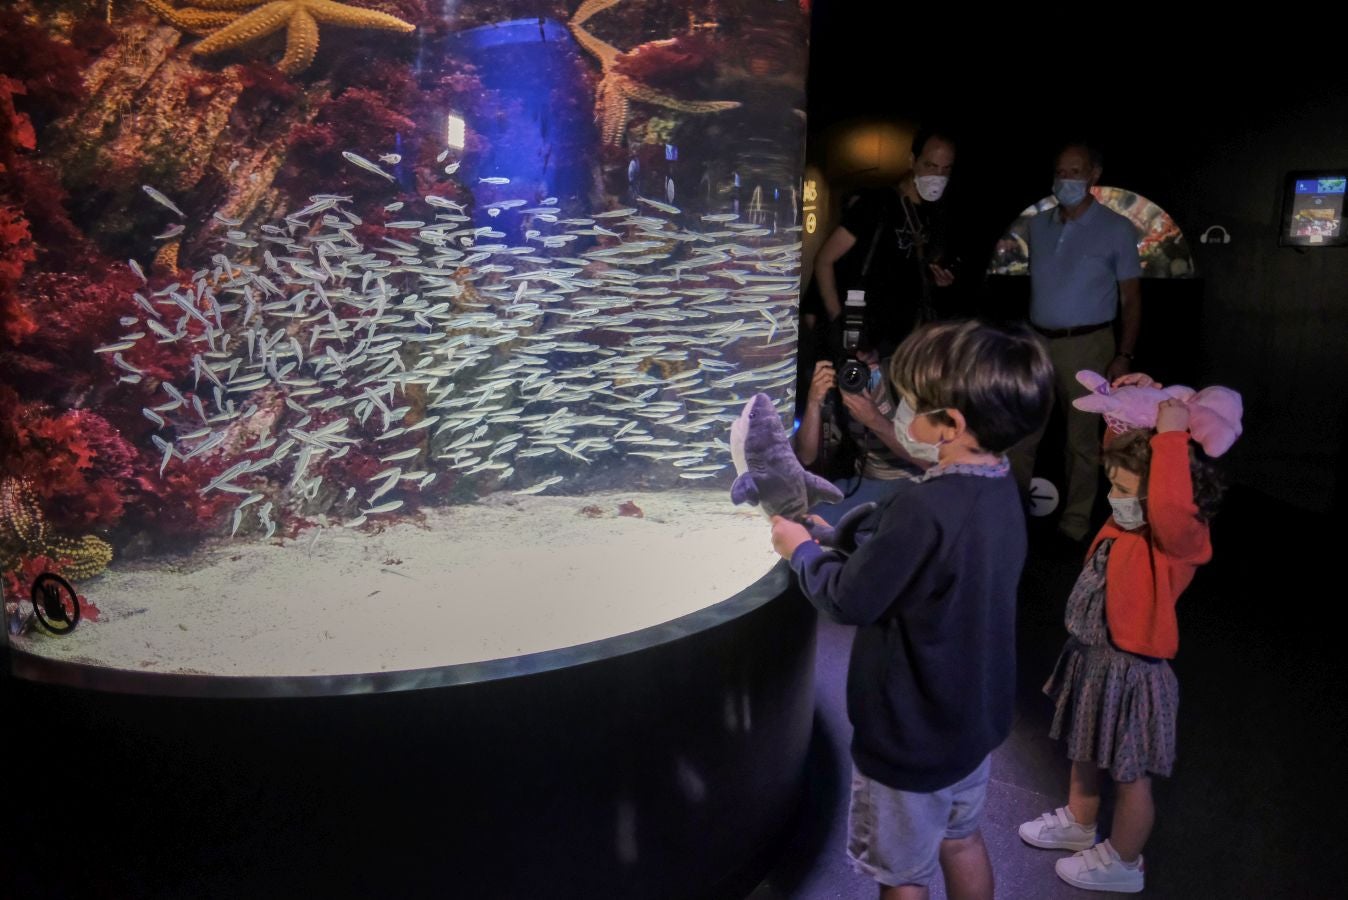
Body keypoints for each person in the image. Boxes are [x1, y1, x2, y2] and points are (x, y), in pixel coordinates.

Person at [770, 320, 1053, 900]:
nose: (897, 412)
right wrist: (842, 540)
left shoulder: (924, 509)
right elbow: (932, 568)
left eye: (909, 403)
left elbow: (847, 598)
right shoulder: (1000, 484)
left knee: (901, 873)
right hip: (971, 718)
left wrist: (800, 549)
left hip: (912, 733)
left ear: (951, 424)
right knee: (962, 839)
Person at [1017, 373, 1226, 893]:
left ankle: (1124, 862)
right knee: (1084, 748)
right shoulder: (1126, 520)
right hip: (1095, 659)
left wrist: (1171, 437)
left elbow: (1171, 506)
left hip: (1133, 673)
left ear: (1166, 490)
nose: (1114, 498)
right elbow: (1120, 453)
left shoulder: (1176, 539)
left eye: (1126, 491)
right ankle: (1080, 822)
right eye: (1112, 486)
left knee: (1130, 775)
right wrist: (1130, 409)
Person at [1008, 141, 1142, 543]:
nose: (1066, 179)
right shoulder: (1038, 225)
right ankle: (1010, 516)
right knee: (1021, 433)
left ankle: (1075, 524)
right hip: (1038, 342)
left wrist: (1124, 354)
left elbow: (1131, 298)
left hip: (1088, 344)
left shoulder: (1117, 228)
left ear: (1094, 174)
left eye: (1075, 172)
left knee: (1081, 441)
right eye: (1061, 172)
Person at [800, 129, 959, 382]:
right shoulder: (877, 204)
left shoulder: (935, 217)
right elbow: (825, 259)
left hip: (901, 346)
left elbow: (909, 275)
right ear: (912, 161)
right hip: (860, 340)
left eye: (945, 169)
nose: (937, 176)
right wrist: (839, 320)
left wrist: (936, 281)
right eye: (930, 165)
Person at [792, 347, 926, 525]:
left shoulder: (903, 380)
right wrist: (813, 401)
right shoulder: (839, 384)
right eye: (852, 361)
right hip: (865, 480)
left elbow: (927, 459)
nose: (857, 371)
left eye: (866, 354)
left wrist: (874, 420)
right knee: (806, 515)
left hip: (910, 480)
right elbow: (806, 456)